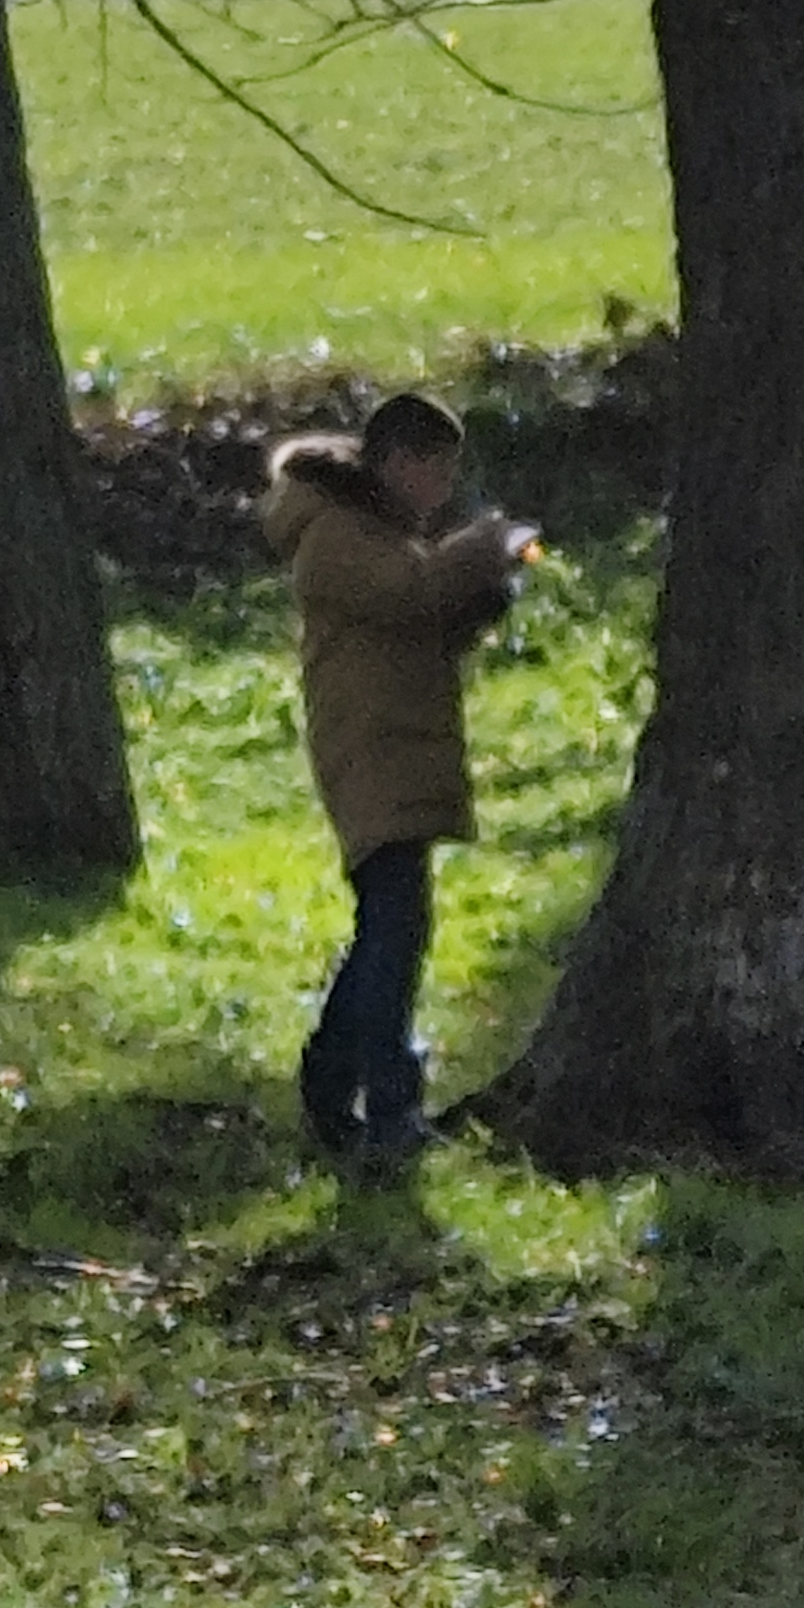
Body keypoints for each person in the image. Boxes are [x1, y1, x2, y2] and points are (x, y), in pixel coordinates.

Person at [260, 389, 535, 1167]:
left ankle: (334, 1084)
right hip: (372, 753)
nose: (441, 491)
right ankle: (386, 1103)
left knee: (391, 929)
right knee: (394, 929)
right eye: (434, 471)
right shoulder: (337, 535)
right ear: (396, 462)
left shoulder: (372, 531)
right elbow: (411, 595)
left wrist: (484, 594)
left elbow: (423, 624)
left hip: (395, 750)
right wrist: (482, 546)